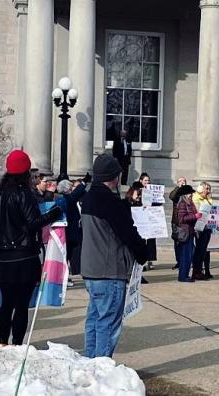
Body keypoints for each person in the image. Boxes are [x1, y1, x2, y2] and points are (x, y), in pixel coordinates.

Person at [0, 150, 63, 347]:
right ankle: (17, 343)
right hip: (24, 255)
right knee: (21, 305)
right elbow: (33, 222)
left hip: (3, 256)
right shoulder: (23, 193)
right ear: (25, 171)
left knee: (6, 303)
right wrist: (55, 212)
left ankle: (2, 342)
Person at [81, 151, 149, 358]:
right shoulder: (109, 201)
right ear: (115, 177)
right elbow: (127, 232)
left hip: (91, 269)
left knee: (94, 319)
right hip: (109, 269)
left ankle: (90, 362)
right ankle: (100, 366)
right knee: (108, 323)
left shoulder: (90, 197)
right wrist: (143, 253)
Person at [172, 185, 201, 282]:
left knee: (189, 254)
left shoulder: (190, 203)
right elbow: (182, 219)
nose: (191, 195)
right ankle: (183, 276)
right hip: (185, 232)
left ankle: (185, 275)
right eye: (189, 193)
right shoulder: (182, 204)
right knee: (185, 255)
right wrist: (195, 216)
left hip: (190, 231)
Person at [191, 182, 216, 280]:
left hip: (207, 227)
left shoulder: (208, 199)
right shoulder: (196, 198)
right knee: (199, 250)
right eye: (207, 189)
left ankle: (202, 270)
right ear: (201, 189)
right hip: (200, 227)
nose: (208, 191)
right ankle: (197, 271)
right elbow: (197, 213)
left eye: (209, 189)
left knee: (204, 250)